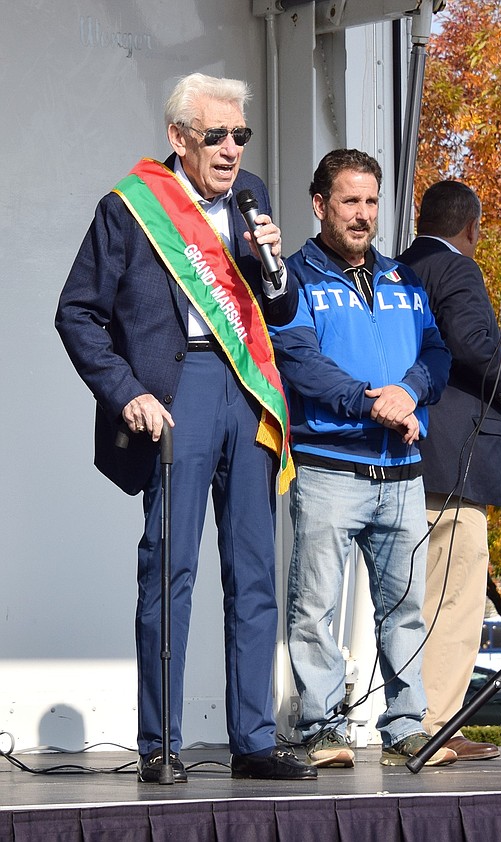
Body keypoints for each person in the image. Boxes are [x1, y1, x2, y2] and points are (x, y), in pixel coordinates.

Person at [55, 72, 316, 783]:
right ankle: (160, 745)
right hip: (176, 392)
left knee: (256, 570)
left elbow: (282, 314)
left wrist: (276, 266)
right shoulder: (133, 208)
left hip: (247, 391)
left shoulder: (251, 199)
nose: (231, 149)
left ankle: (253, 741)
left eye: (240, 135)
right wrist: (125, 392)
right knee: (170, 571)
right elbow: (76, 311)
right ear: (178, 137)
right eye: (216, 136)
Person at [269, 149, 455, 768]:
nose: (363, 214)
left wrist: (410, 393)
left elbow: (437, 353)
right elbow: (298, 358)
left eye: (371, 202)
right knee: (315, 609)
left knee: (405, 611)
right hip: (329, 470)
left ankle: (407, 725)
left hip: (401, 474)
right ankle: (321, 727)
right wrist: (369, 402)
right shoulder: (294, 278)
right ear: (320, 205)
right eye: (350, 201)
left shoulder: (404, 278)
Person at [397, 180, 501, 761]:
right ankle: (435, 724)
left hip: (408, 453)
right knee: (455, 597)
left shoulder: (395, 268)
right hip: (455, 461)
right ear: (472, 230)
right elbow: (475, 344)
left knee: (418, 597)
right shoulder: (457, 269)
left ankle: (418, 720)